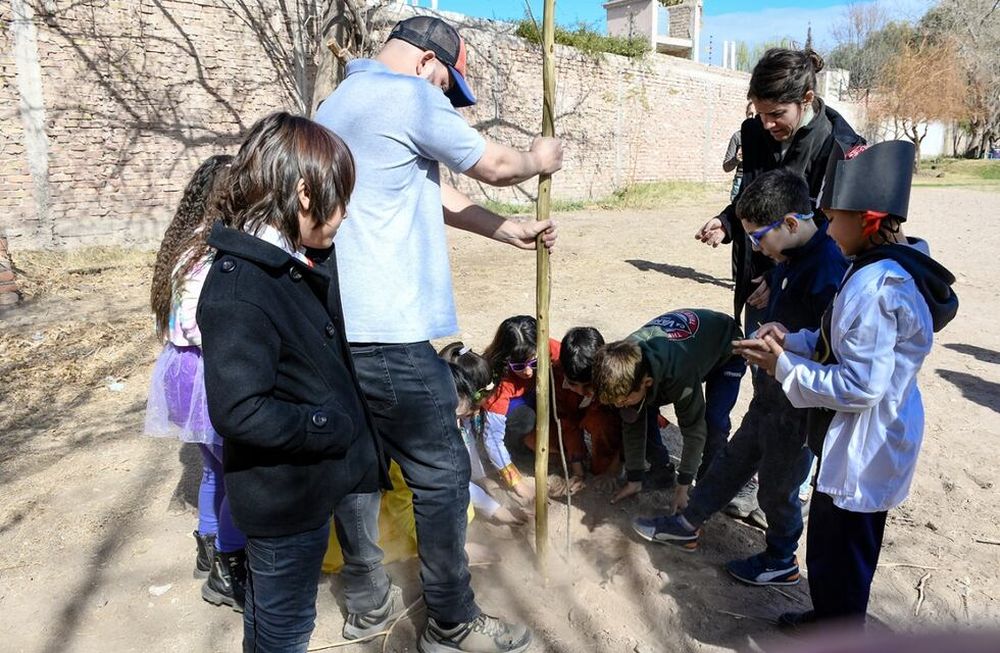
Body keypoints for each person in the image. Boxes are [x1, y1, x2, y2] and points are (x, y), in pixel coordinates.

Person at [313, 14, 561, 653]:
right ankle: (453, 622)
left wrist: (503, 229)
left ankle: (368, 603)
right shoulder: (409, 94)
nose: (444, 101)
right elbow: (496, 164)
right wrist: (539, 158)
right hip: (391, 330)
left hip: (341, 328)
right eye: (448, 87)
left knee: (362, 466)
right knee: (442, 472)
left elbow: (430, 190)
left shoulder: (341, 100)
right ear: (431, 64)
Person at [735, 141, 958, 629]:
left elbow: (860, 384)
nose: (828, 228)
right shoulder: (872, 269)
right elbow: (840, 341)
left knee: (845, 553)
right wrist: (791, 341)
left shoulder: (878, 288)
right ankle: (829, 618)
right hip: (861, 439)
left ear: (868, 219)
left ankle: (841, 631)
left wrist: (783, 369)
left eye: (834, 219)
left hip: (868, 444)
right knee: (832, 551)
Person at [197, 112, 383, 653]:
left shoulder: (290, 262)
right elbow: (240, 409)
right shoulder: (242, 287)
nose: (345, 213)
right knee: (285, 624)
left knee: (274, 614)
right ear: (304, 192)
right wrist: (327, 425)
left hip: (303, 485)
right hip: (281, 498)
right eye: (339, 197)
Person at [631, 170, 848, 589]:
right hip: (770, 394)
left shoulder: (826, 268)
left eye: (757, 237)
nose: (754, 247)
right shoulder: (790, 258)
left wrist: (781, 354)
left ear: (790, 223)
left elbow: (830, 346)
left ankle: (781, 557)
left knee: (777, 487)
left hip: (797, 405)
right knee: (733, 461)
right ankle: (687, 523)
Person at [695, 48, 864, 334]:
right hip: (758, 281)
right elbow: (755, 197)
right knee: (762, 366)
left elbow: (837, 233)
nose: (767, 124)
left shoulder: (841, 148)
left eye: (776, 114)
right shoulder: (754, 134)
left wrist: (780, 275)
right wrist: (727, 223)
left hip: (812, 285)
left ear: (806, 99)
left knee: (802, 363)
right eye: (760, 114)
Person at [145, 154, 249, 611]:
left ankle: (206, 547)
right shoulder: (217, 253)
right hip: (210, 372)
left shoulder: (182, 244)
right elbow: (216, 324)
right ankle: (228, 566)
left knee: (214, 468)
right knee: (244, 474)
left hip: (179, 371)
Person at [591, 309, 746, 510]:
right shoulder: (624, 366)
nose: (620, 406)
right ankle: (661, 472)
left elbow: (693, 430)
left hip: (727, 346)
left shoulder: (678, 374)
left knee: (714, 423)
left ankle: (706, 487)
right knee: (639, 409)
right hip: (688, 354)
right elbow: (632, 423)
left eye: (623, 400)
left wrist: (682, 488)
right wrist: (634, 478)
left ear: (646, 382)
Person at [481, 316, 587, 499]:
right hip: (520, 413)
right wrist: (517, 483)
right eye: (519, 366)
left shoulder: (554, 353)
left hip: (541, 406)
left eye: (534, 363)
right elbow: (492, 438)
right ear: (507, 360)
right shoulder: (500, 381)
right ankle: (518, 450)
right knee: (525, 420)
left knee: (559, 446)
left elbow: (569, 412)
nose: (528, 371)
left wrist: (578, 470)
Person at [723, 102, 755, 202]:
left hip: (760, 181)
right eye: (750, 114)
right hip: (741, 180)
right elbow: (726, 167)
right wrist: (736, 159)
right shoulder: (737, 137)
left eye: (757, 114)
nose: (753, 117)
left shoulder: (769, 135)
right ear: (746, 114)